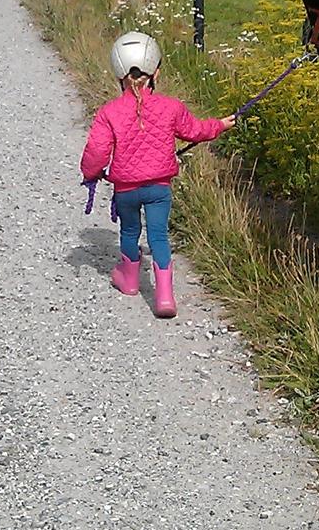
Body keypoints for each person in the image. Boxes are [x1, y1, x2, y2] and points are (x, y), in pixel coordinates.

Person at [80, 31, 236, 318]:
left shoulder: (108, 112)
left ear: (118, 74)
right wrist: (220, 125)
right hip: (159, 189)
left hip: (125, 190)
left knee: (129, 231)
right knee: (159, 236)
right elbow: (195, 131)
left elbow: (97, 150)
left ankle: (129, 281)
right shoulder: (170, 107)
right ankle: (164, 297)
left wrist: (92, 173)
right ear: (156, 72)